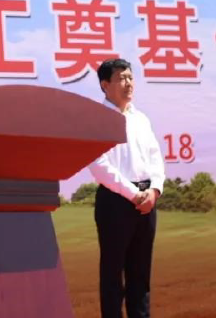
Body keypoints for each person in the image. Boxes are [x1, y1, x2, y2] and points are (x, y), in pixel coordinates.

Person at [88, 58, 165, 318]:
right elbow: (99, 165)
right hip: (115, 202)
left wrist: (154, 190)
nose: (128, 83)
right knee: (113, 274)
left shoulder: (140, 118)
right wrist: (133, 194)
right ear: (105, 84)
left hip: (146, 202)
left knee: (140, 274)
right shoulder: (97, 118)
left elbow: (155, 158)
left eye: (130, 77)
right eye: (121, 78)